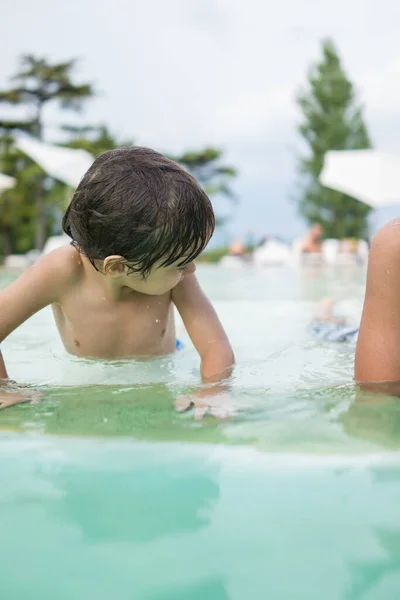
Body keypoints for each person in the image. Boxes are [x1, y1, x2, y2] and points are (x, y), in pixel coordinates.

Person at [0, 147, 234, 412]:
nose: (191, 270)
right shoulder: (62, 271)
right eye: (180, 263)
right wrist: (4, 388)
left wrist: (212, 391)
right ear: (118, 267)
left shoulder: (177, 277)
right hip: (87, 377)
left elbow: (216, 348)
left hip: (163, 364)